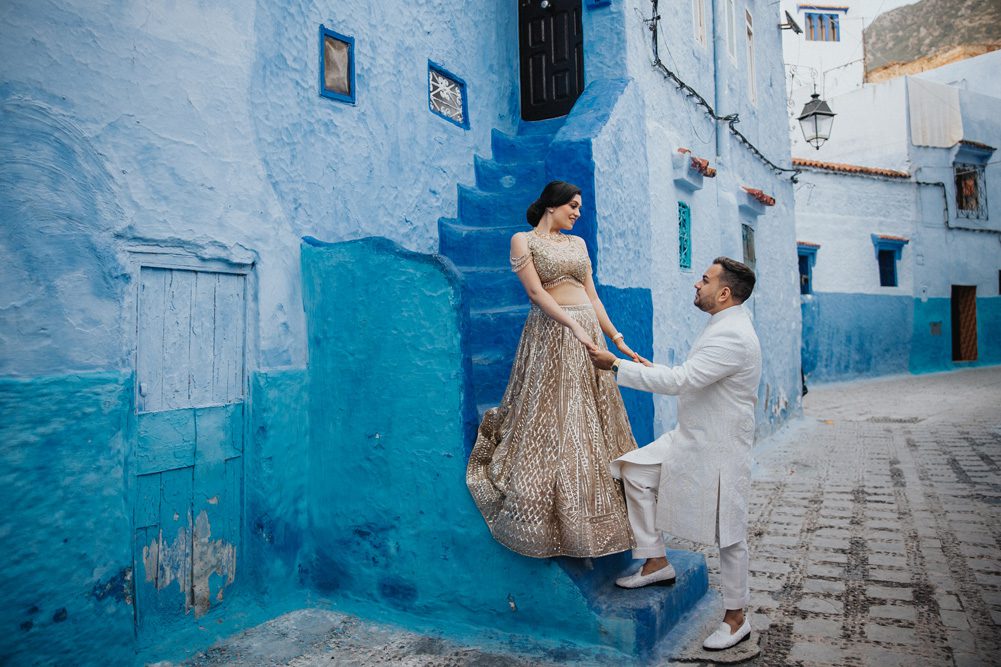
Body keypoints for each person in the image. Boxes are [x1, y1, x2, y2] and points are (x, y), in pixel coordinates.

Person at [587, 257, 762, 651]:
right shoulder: (724, 325)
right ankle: (655, 561)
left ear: (724, 292)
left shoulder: (732, 334)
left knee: (729, 534)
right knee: (634, 470)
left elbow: (683, 380)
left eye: (704, 279)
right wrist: (654, 369)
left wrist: (615, 365)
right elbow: (694, 374)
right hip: (692, 437)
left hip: (719, 447)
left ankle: (736, 619)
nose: (696, 285)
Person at [466, 181, 642, 559]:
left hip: (588, 334)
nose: (578, 212)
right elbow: (536, 293)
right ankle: (556, 515)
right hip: (552, 333)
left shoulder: (578, 245)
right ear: (552, 204)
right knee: (557, 414)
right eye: (573, 206)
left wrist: (617, 339)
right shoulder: (523, 241)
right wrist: (571, 325)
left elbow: (592, 296)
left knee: (591, 415)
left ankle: (598, 511)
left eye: (580, 207)